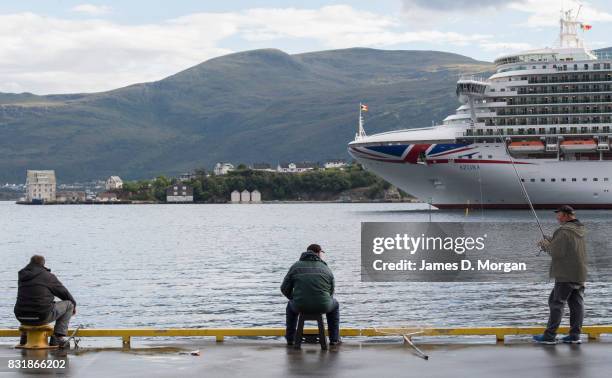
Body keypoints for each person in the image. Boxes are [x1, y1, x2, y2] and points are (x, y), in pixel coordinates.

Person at [534, 205, 587, 345]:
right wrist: (552, 239)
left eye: (559, 215)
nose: (557, 218)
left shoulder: (563, 231)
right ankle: (575, 336)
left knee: (556, 303)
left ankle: (549, 336)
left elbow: (557, 253)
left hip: (565, 274)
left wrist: (545, 245)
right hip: (579, 272)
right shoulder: (579, 229)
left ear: (566, 215)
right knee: (577, 304)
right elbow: (568, 246)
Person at [281, 244, 340, 346]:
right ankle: (334, 339)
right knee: (335, 305)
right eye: (322, 253)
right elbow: (331, 291)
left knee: (290, 306)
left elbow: (284, 288)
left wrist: (293, 298)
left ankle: (290, 339)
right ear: (318, 253)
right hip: (323, 306)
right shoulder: (326, 268)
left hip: (300, 305)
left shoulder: (295, 266)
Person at [14, 255, 77, 348]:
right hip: (41, 316)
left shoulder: (22, 275)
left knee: (27, 302)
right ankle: (57, 338)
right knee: (69, 305)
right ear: (43, 264)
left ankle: (24, 337)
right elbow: (63, 293)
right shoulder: (47, 276)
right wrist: (74, 306)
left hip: (20, 316)